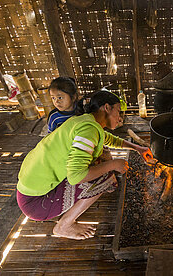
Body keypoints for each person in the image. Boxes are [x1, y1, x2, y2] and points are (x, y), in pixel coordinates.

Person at [17, 90, 153, 240]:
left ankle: (90, 192)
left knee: (101, 152)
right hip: (36, 204)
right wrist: (113, 165)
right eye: (118, 111)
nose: (120, 118)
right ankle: (64, 225)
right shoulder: (89, 129)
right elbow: (77, 176)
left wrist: (137, 148)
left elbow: (107, 139)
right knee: (105, 175)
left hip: (30, 189)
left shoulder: (85, 122)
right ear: (106, 107)